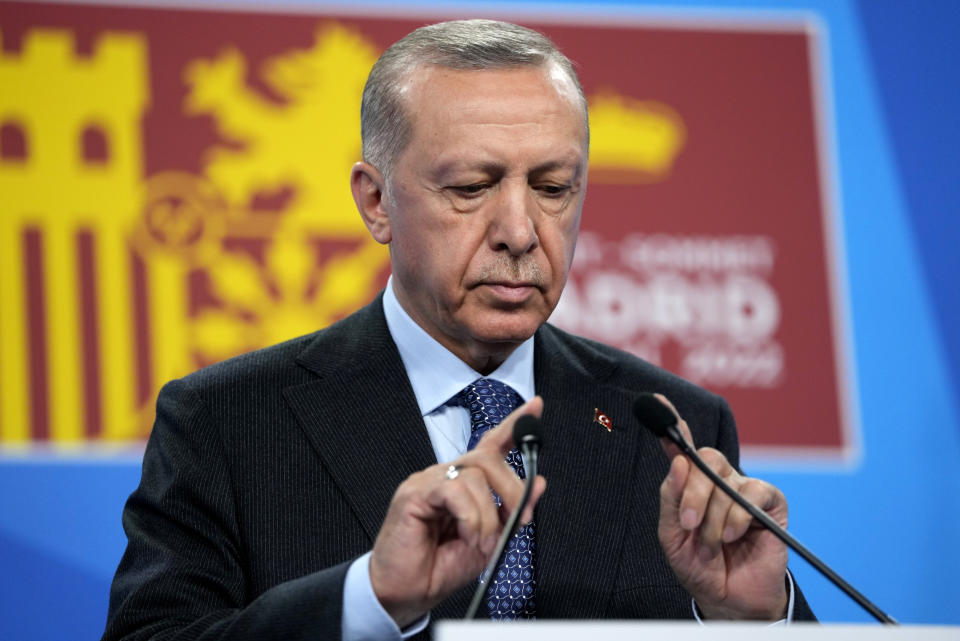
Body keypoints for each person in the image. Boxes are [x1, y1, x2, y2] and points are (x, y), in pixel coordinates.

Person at [102, 19, 815, 641]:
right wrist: (370, 598)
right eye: (471, 187)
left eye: (552, 187)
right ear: (376, 202)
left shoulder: (674, 427)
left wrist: (750, 623)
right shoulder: (228, 422)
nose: (518, 231)